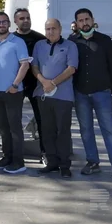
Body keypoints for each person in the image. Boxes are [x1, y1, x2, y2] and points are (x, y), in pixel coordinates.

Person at [70, 8, 112, 182]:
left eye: (87, 19)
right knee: (86, 130)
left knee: (109, 130)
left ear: (93, 20)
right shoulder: (72, 41)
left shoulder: (105, 40)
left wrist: (108, 86)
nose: (84, 23)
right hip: (81, 93)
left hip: (102, 92)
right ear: (76, 23)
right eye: (81, 20)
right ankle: (92, 162)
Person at [31, 19, 77, 178]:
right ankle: (52, 163)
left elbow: (71, 68)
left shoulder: (70, 46)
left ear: (60, 29)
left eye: (53, 28)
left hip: (63, 96)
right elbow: (34, 66)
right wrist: (44, 82)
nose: (50, 31)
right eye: (47, 29)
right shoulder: (39, 45)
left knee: (62, 131)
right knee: (47, 130)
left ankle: (64, 165)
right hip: (43, 94)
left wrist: (53, 83)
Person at [0, 11, 32, 174]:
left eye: (4, 22)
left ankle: (18, 161)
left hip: (13, 92)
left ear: (9, 24)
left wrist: (15, 84)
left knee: (15, 128)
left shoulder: (18, 42)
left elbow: (25, 65)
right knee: (3, 128)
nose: (1, 25)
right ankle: (7, 157)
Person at [13, 8, 47, 165]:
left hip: (36, 85)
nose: (25, 20)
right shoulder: (11, 39)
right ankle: (15, 154)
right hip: (16, 85)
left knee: (42, 120)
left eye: (27, 17)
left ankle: (45, 152)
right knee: (14, 121)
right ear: (15, 21)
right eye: (21, 18)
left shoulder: (40, 39)